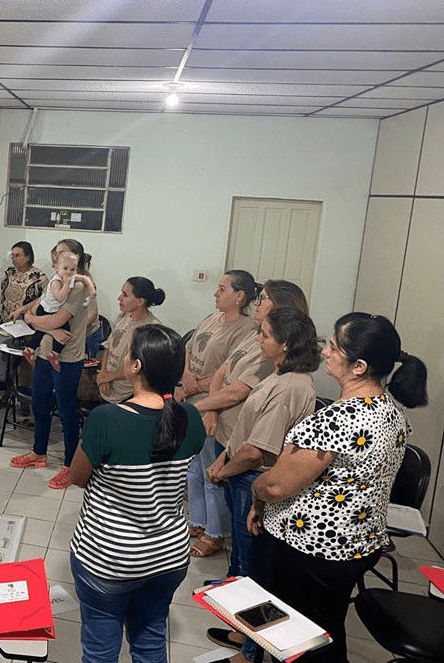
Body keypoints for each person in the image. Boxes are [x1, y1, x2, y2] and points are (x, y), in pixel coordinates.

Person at [210, 313, 428, 663]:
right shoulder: (391, 413)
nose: (324, 353)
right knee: (319, 626)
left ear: (358, 366)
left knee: (301, 636)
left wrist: (257, 492)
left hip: (310, 550)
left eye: (333, 347)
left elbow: (279, 484)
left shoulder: (339, 419)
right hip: (354, 542)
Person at [68, 325, 205, 663]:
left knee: (100, 649)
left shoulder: (107, 419)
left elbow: (77, 477)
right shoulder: (190, 417)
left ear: (136, 366)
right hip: (169, 556)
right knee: (150, 641)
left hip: (110, 558)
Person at [204, 307, 319, 586]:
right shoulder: (278, 374)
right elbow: (248, 430)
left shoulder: (288, 387)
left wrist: (225, 470)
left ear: (285, 344)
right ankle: (231, 585)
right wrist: (224, 459)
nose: (258, 340)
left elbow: (256, 451)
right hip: (240, 470)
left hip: (254, 476)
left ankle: (242, 621)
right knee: (240, 553)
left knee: (250, 557)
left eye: (265, 335)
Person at [180, 270, 259, 558]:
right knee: (194, 468)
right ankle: (199, 521)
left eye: (222, 288)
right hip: (193, 399)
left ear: (239, 296)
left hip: (216, 409)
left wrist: (197, 388)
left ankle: (216, 533)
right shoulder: (212, 318)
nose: (215, 293)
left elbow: (230, 372)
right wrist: (188, 376)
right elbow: (189, 349)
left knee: (213, 471)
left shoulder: (247, 329)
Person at [10, 238, 90, 490]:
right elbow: (37, 309)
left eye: (62, 254)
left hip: (67, 358)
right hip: (45, 353)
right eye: (56, 254)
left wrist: (36, 322)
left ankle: (69, 466)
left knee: (66, 413)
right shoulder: (56, 281)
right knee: (39, 404)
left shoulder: (78, 287)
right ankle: (38, 453)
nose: (57, 258)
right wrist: (38, 321)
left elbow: (57, 320)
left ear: (75, 258)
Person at [96, 276, 165, 404]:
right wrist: (104, 374)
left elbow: (141, 368)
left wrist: (110, 376)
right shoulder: (123, 316)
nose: (119, 298)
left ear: (140, 301)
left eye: (125, 295)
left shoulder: (151, 328)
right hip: (108, 386)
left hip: (127, 395)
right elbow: (109, 346)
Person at [22, 250, 94, 372]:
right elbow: (59, 297)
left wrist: (91, 288)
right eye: (65, 268)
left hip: (52, 311)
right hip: (45, 309)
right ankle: (44, 351)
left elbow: (84, 278)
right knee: (62, 328)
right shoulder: (56, 281)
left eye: (73, 269)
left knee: (52, 330)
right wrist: (66, 285)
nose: (69, 273)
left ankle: (37, 350)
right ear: (57, 267)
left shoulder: (69, 277)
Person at [1, 241, 47, 322]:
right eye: (12, 256)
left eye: (18, 255)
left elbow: (45, 300)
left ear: (28, 257)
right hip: (6, 321)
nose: (14, 259)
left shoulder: (39, 277)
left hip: (26, 323)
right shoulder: (9, 272)